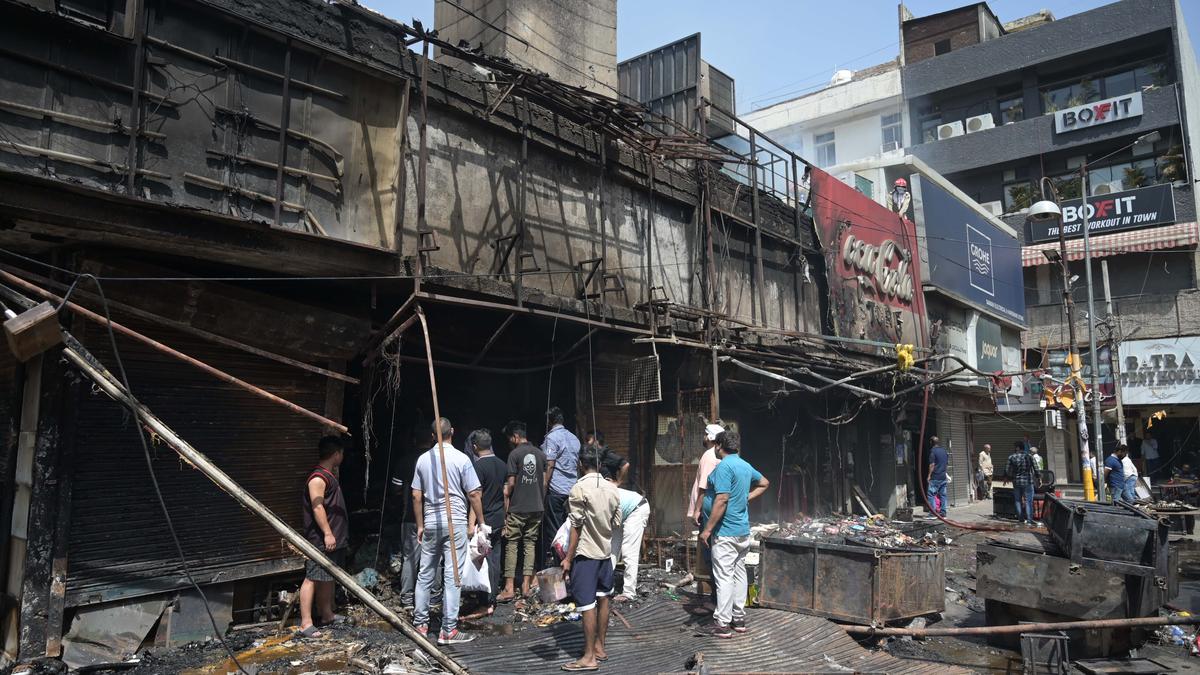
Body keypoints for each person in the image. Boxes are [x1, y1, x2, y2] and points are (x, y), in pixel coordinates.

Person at [412, 417, 485, 645]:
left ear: (433, 436)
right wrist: (480, 520)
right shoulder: (462, 459)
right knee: (452, 577)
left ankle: (420, 625)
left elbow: (415, 495)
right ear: (452, 432)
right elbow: (473, 493)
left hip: (432, 522)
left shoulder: (423, 460)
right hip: (454, 523)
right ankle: (448, 630)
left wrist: (420, 524)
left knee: (425, 575)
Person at [700, 431, 770, 639]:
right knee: (739, 575)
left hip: (726, 532)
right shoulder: (745, 465)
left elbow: (721, 500)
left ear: (719, 445)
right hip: (742, 531)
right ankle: (738, 619)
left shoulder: (724, 467)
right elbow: (765, 482)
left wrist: (707, 530)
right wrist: (746, 497)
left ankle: (722, 624)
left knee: (724, 577)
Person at [560, 446, 622, 672]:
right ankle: (599, 648)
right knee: (604, 598)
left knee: (587, 605)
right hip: (605, 553)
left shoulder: (578, 489)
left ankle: (588, 658)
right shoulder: (612, 488)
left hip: (586, 554)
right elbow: (616, 523)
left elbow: (575, 526)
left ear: (580, 464)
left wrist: (567, 558)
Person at [298, 436, 349, 638]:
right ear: (336, 454)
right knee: (312, 577)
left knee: (327, 576)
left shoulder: (328, 475)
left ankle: (327, 615)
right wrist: (327, 533)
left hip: (333, 538)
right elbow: (317, 506)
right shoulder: (318, 478)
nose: (342, 457)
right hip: (319, 539)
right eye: (342, 453)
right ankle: (306, 623)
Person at [498, 420, 545, 604]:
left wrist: (506, 500)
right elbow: (543, 482)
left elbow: (510, 484)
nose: (510, 443)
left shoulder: (514, 454)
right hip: (537, 507)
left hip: (518, 507)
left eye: (510, 439)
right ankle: (526, 586)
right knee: (530, 544)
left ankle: (509, 588)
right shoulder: (541, 454)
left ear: (515, 437)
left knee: (512, 544)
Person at [468, 429, 506, 616]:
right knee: (495, 558)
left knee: (483, 560)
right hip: (499, 518)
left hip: (486, 520)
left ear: (475, 447)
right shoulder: (502, 464)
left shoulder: (477, 467)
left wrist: (473, 523)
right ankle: (492, 595)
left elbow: (475, 496)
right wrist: (506, 518)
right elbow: (505, 494)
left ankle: (486, 601)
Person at [689, 423, 725, 613]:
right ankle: (720, 600)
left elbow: (703, 487)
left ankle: (716, 601)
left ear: (711, 438)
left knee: (711, 558)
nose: (703, 437)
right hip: (716, 512)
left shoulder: (708, 456)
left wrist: (696, 510)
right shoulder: (720, 457)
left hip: (707, 513)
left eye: (705, 434)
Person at [604, 453, 649, 601]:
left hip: (636, 508)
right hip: (622, 513)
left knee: (629, 551)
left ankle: (629, 592)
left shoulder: (597, 497)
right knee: (611, 549)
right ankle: (605, 586)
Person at [543, 406, 581, 567]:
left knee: (555, 530)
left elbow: (550, 464)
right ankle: (573, 562)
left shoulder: (551, 438)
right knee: (572, 527)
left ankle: (560, 566)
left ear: (550, 421)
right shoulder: (574, 438)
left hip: (557, 489)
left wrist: (544, 486)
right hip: (572, 489)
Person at [1004, 441, 1037, 525]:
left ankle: (1021, 519)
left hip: (1016, 482)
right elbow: (1036, 468)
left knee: (1018, 500)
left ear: (1017, 448)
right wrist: (1039, 477)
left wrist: (1006, 477)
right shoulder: (1029, 456)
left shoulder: (1011, 457)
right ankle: (1029, 520)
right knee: (1028, 501)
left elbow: (1007, 469)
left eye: (1015, 447)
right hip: (1028, 481)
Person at [926, 436, 949, 518]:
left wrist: (929, 475)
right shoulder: (944, 451)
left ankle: (933, 513)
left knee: (931, 494)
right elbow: (946, 465)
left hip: (935, 477)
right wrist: (945, 473)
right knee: (943, 495)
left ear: (931, 442)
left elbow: (932, 465)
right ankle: (943, 513)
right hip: (943, 477)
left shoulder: (932, 451)